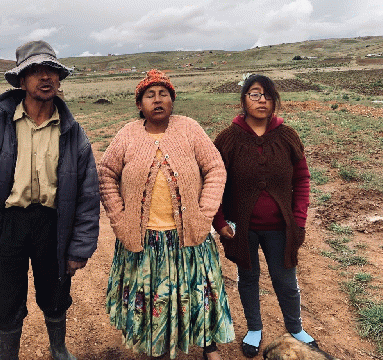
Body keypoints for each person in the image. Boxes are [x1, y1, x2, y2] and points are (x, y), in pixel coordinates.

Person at [0, 40, 100, 360]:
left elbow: (88, 194)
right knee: (6, 297)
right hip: (7, 223)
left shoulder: (73, 132)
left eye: (51, 71)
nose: (45, 77)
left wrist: (79, 246)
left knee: (56, 291)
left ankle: (58, 348)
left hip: (54, 223)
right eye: (35, 71)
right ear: (21, 80)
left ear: (59, 79)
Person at [98, 69, 234, 360]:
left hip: (188, 237)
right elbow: (106, 174)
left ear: (173, 100)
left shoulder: (189, 129)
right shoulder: (127, 135)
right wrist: (119, 217)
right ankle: (158, 346)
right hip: (144, 240)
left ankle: (209, 346)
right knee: (153, 300)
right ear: (139, 104)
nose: (157, 100)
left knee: (199, 294)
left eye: (164, 94)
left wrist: (205, 212)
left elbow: (215, 169)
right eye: (150, 95)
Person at [212, 74, 315, 358]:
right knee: (248, 278)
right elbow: (214, 182)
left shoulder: (287, 136)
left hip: (281, 228)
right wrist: (219, 222)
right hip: (241, 229)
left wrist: (299, 219)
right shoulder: (228, 139)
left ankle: (295, 328)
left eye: (268, 95)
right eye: (255, 94)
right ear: (243, 99)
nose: (262, 101)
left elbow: (303, 179)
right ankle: (254, 329)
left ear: (275, 102)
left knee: (286, 280)